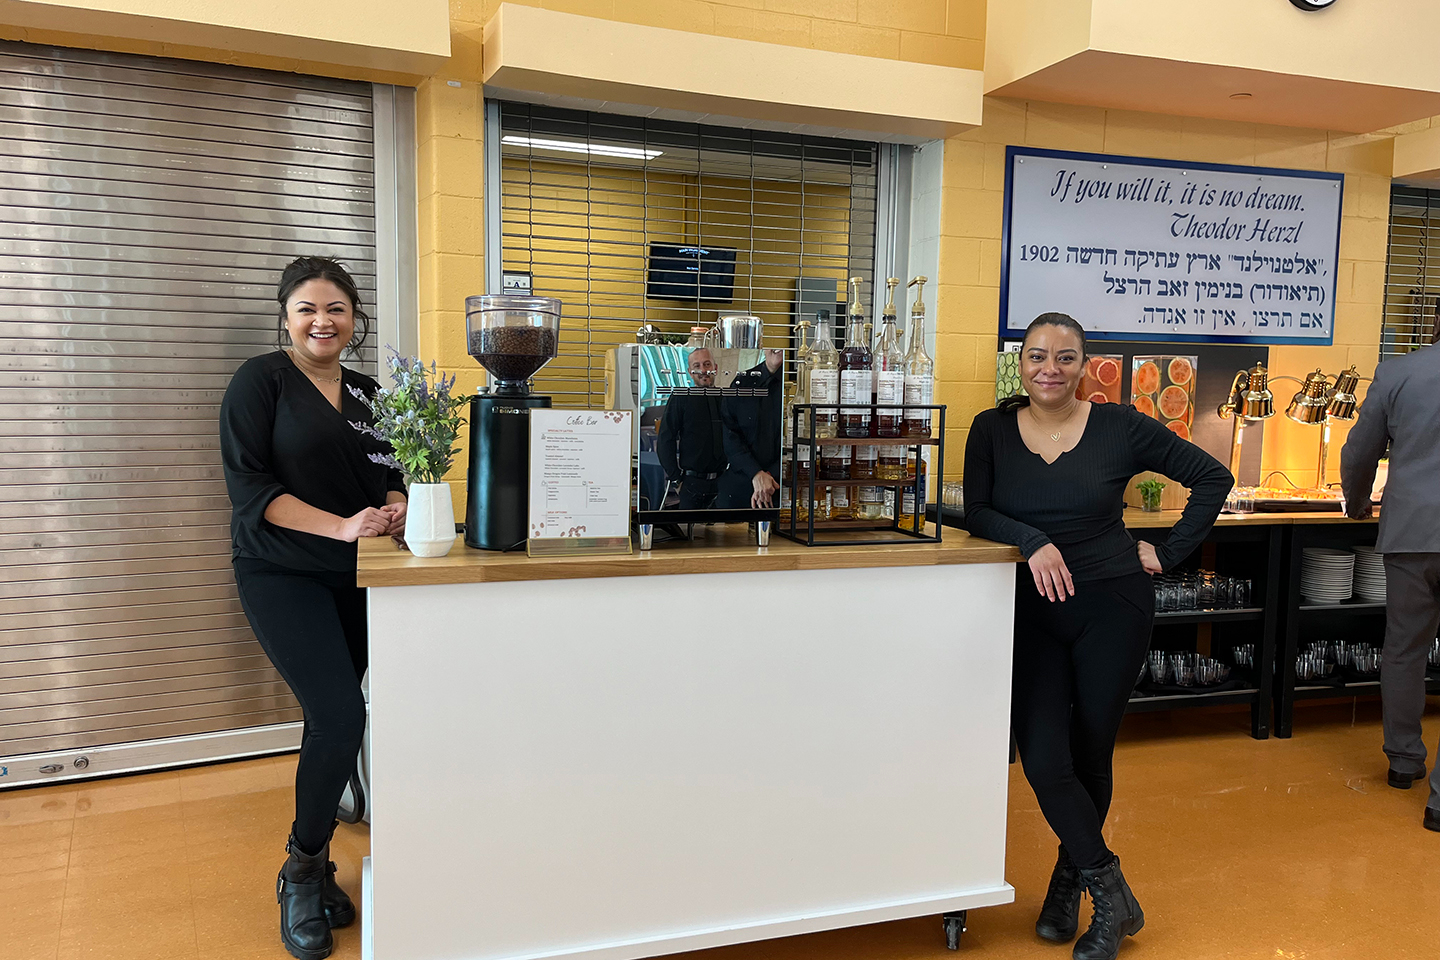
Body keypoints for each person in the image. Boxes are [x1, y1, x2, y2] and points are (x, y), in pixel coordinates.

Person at [964, 314, 1230, 960]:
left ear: (1084, 366)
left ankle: (1074, 887)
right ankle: (1113, 888)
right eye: (1036, 356)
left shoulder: (1119, 426)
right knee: (1046, 762)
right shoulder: (990, 429)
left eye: (1064, 357)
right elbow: (977, 512)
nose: (1048, 368)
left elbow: (1210, 478)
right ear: (1019, 364)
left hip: (1112, 604)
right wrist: (1033, 541)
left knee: (1089, 756)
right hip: (1031, 610)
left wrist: (1168, 553)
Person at [220, 256, 407, 960]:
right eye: (307, 308)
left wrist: (395, 508)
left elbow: (394, 472)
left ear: (354, 319)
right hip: (279, 570)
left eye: (335, 308)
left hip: (355, 575)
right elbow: (250, 486)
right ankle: (299, 870)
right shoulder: (259, 381)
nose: (322, 321)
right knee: (338, 714)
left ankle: (318, 856)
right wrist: (340, 525)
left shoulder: (368, 392)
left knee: (332, 719)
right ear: (286, 316)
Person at [1340, 344, 1440, 830]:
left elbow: (1360, 449)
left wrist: (1356, 501)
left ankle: (1404, 761)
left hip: (1411, 535)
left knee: (1404, 649)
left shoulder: (1398, 372)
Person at [656, 348, 727, 509]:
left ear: (715, 367)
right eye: (697, 366)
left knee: (727, 534)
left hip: (724, 484)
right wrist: (676, 480)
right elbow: (666, 440)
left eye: (707, 364)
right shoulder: (681, 398)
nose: (703, 370)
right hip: (691, 485)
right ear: (690, 371)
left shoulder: (727, 398)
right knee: (690, 533)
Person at [718, 349, 784, 509]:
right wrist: (755, 473)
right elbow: (729, 435)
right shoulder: (743, 381)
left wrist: (768, 476)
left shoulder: (801, 380)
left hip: (783, 485)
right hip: (740, 486)